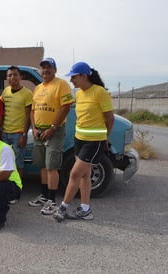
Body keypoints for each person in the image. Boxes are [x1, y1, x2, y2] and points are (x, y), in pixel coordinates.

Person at [53, 62, 114, 222]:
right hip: (79, 140)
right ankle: (86, 210)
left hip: (94, 142)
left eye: (74, 77)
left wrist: (105, 137)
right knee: (84, 176)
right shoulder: (79, 94)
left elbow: (110, 118)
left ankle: (63, 208)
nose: (71, 80)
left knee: (74, 173)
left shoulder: (100, 92)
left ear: (84, 76)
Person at [28, 58, 75, 215]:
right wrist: (34, 128)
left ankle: (52, 201)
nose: (45, 70)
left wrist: (53, 128)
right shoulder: (38, 87)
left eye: (49, 67)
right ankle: (44, 196)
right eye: (43, 68)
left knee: (52, 166)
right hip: (39, 131)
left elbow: (66, 107)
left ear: (55, 69)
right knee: (42, 165)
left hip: (54, 131)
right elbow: (33, 111)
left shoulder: (61, 84)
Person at [0, 66, 33, 180]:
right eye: (10, 75)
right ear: (6, 78)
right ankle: (7, 186)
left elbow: (29, 116)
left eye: (15, 75)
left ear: (20, 77)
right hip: (5, 133)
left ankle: (17, 189)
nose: (12, 77)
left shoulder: (27, 93)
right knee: (5, 162)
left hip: (18, 134)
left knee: (18, 163)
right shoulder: (6, 91)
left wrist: (24, 135)